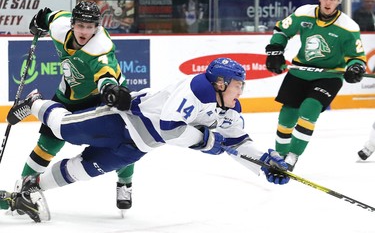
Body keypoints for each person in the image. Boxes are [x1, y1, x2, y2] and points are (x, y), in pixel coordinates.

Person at [5, 57, 290, 222]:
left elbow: (238, 143)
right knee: (65, 128)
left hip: (139, 147)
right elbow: (169, 128)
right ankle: (35, 103)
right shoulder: (197, 89)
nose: (241, 90)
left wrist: (264, 163)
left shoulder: (229, 109)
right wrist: (207, 142)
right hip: (121, 122)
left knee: (82, 171)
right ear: (220, 84)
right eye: (238, 85)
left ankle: (31, 187)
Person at [0, 1, 136, 214]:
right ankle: (24, 188)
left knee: (121, 143)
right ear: (72, 24)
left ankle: (125, 184)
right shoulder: (61, 27)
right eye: (80, 25)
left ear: (97, 28)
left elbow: (106, 76)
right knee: (47, 143)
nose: (84, 31)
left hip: (105, 97)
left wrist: (111, 90)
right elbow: (49, 16)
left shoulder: (100, 47)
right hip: (71, 93)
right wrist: (39, 20)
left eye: (90, 27)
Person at [264, 0, 367, 171]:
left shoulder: (348, 27)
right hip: (300, 71)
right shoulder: (304, 13)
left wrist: (355, 67)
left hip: (329, 76)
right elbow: (282, 30)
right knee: (287, 115)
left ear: (339, 1)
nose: (328, 2)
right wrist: (276, 50)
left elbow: (357, 57)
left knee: (309, 109)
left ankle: (293, 156)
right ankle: (279, 154)